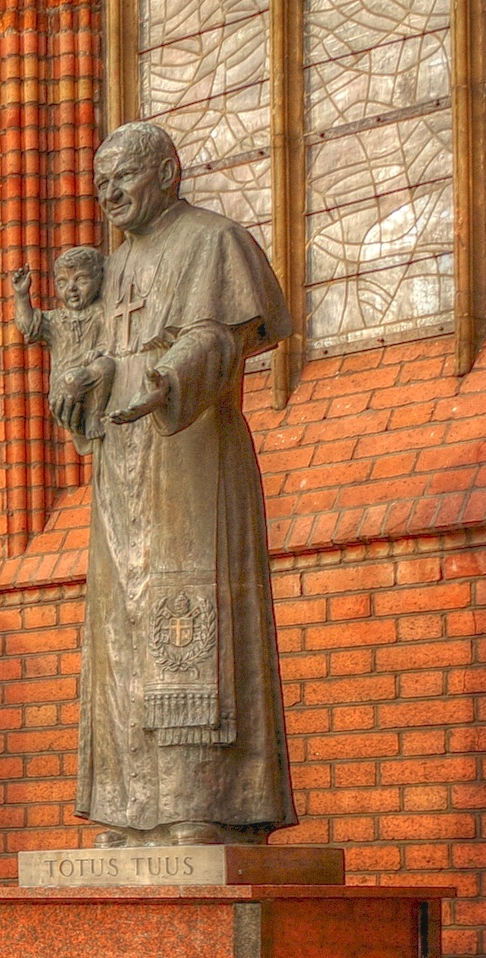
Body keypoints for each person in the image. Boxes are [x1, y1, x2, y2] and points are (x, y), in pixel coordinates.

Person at [66, 122, 295, 847]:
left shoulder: (213, 241)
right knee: (121, 626)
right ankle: (134, 809)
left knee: (191, 617)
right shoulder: (116, 266)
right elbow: (102, 347)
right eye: (101, 183)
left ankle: (203, 803)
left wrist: (163, 378)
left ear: (166, 172)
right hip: (122, 473)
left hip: (191, 458)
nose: (109, 194)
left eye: (123, 177)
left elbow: (221, 336)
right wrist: (91, 376)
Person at [10, 246, 108, 453]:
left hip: (93, 383)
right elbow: (27, 325)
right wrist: (21, 297)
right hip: (65, 388)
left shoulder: (102, 312)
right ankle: (84, 426)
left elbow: (114, 340)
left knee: (104, 366)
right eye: (63, 283)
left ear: (99, 278)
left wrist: (100, 350)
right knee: (72, 381)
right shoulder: (56, 319)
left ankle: (95, 416)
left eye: (80, 280)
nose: (71, 288)